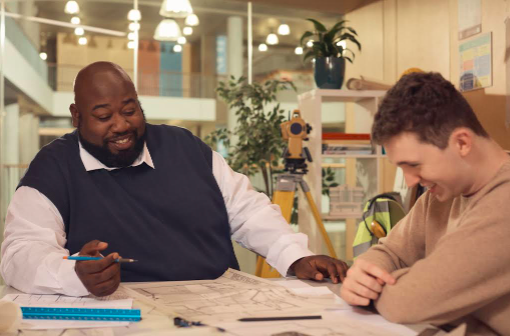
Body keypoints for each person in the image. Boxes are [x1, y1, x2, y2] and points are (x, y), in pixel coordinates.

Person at [1, 62, 348, 297]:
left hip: (217, 308)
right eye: (103, 116)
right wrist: (72, 274)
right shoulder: (53, 167)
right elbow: (20, 252)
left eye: (130, 110)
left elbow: (248, 210)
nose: (121, 125)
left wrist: (294, 255)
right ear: (76, 117)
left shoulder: (185, 147)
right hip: (117, 316)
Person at [340, 72, 510, 335]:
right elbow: (390, 253)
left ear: (462, 142)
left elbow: (408, 303)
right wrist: (364, 277)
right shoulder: (441, 194)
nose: (409, 182)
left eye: (414, 165)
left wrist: (378, 290)